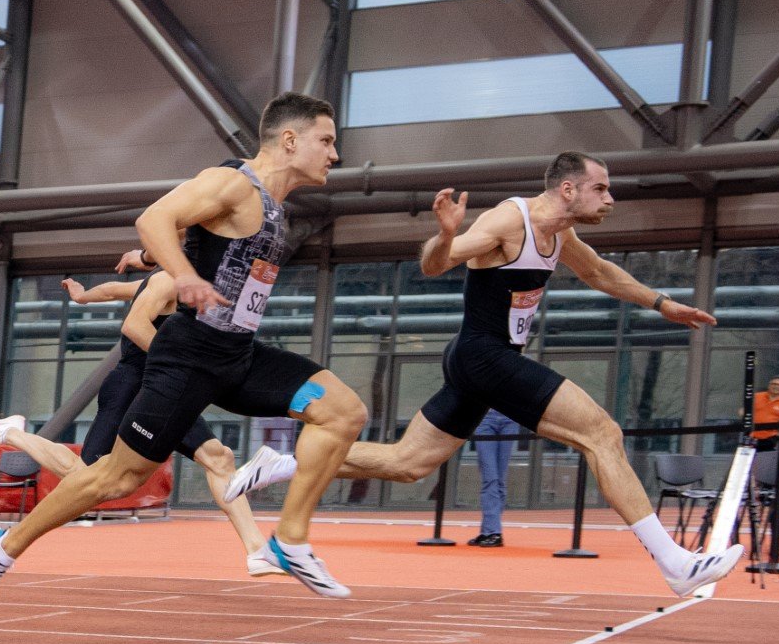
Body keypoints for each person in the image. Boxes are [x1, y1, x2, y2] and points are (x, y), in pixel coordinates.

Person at [225, 151, 744, 597]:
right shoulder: (508, 222)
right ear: (568, 188)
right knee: (601, 433)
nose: (609, 199)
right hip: (485, 356)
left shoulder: (558, 234)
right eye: (600, 189)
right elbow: (434, 264)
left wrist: (663, 303)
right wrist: (446, 235)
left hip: (478, 361)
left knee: (408, 463)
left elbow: (601, 273)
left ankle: (283, 464)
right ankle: (675, 564)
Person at [0, 92, 368, 605]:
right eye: (327, 141)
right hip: (188, 357)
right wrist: (182, 277)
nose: (335, 155)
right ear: (290, 140)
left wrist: (151, 258)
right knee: (112, 479)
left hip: (239, 354)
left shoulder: (272, 203)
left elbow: (187, 232)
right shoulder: (231, 183)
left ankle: (288, 542)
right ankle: (5, 548)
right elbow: (154, 218)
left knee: (342, 411)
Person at [0, 266, 294, 578]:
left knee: (218, 456)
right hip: (132, 387)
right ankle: (11, 432)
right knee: (82, 477)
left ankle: (256, 550)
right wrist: (182, 363)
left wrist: (83, 297)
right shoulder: (168, 281)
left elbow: (115, 289)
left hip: (167, 389)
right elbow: (135, 327)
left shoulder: (192, 283)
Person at [468, 409, 520, 547]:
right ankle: (492, 531)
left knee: (500, 480)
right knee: (490, 478)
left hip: (510, 419)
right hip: (485, 418)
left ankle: (489, 531)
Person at [752, 377, 779, 452]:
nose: (776, 386)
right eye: (774, 384)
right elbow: (745, 410)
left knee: (767, 461)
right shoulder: (756, 397)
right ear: (769, 385)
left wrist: (778, 435)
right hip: (752, 436)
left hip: (770, 438)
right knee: (749, 461)